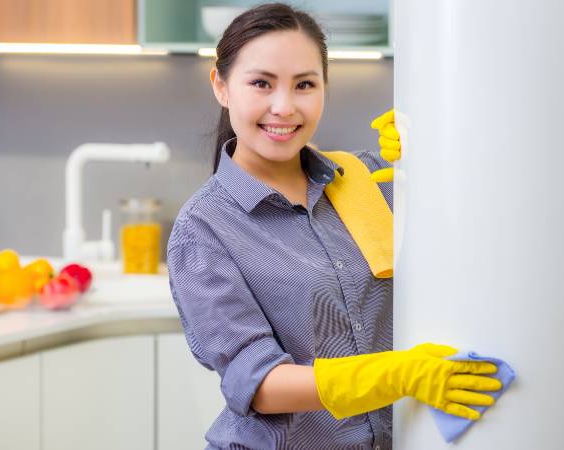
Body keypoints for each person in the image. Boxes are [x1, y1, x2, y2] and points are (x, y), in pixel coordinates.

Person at [167, 4, 501, 449]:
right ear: (222, 86)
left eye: (304, 84)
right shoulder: (203, 228)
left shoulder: (364, 182)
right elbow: (260, 385)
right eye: (261, 83)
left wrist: (432, 151)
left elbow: (477, 224)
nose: (284, 107)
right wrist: (398, 374)